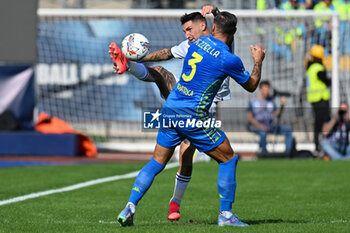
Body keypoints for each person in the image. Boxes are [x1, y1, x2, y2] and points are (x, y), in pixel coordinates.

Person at [114, 11, 266, 227]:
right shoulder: (229, 59)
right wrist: (258, 62)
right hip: (192, 115)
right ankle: (226, 215)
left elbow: (173, 53)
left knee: (157, 162)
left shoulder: (197, 44)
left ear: (212, 28)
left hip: (171, 108)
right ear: (233, 33)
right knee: (228, 158)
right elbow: (251, 86)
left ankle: (130, 206)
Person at [247, 80, 293, 153]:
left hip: (269, 126)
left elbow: (276, 114)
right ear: (261, 89)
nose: (267, 91)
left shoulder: (271, 100)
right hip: (256, 127)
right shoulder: (253, 100)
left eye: (268, 89)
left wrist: (282, 105)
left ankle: (288, 153)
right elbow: (250, 118)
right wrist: (260, 126)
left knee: (288, 130)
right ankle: (264, 153)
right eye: (265, 89)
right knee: (263, 133)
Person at [306, 44, 331, 153]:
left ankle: (317, 145)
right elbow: (325, 80)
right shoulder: (318, 68)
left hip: (314, 100)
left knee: (317, 123)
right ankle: (322, 145)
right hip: (321, 99)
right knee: (323, 123)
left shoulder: (310, 68)